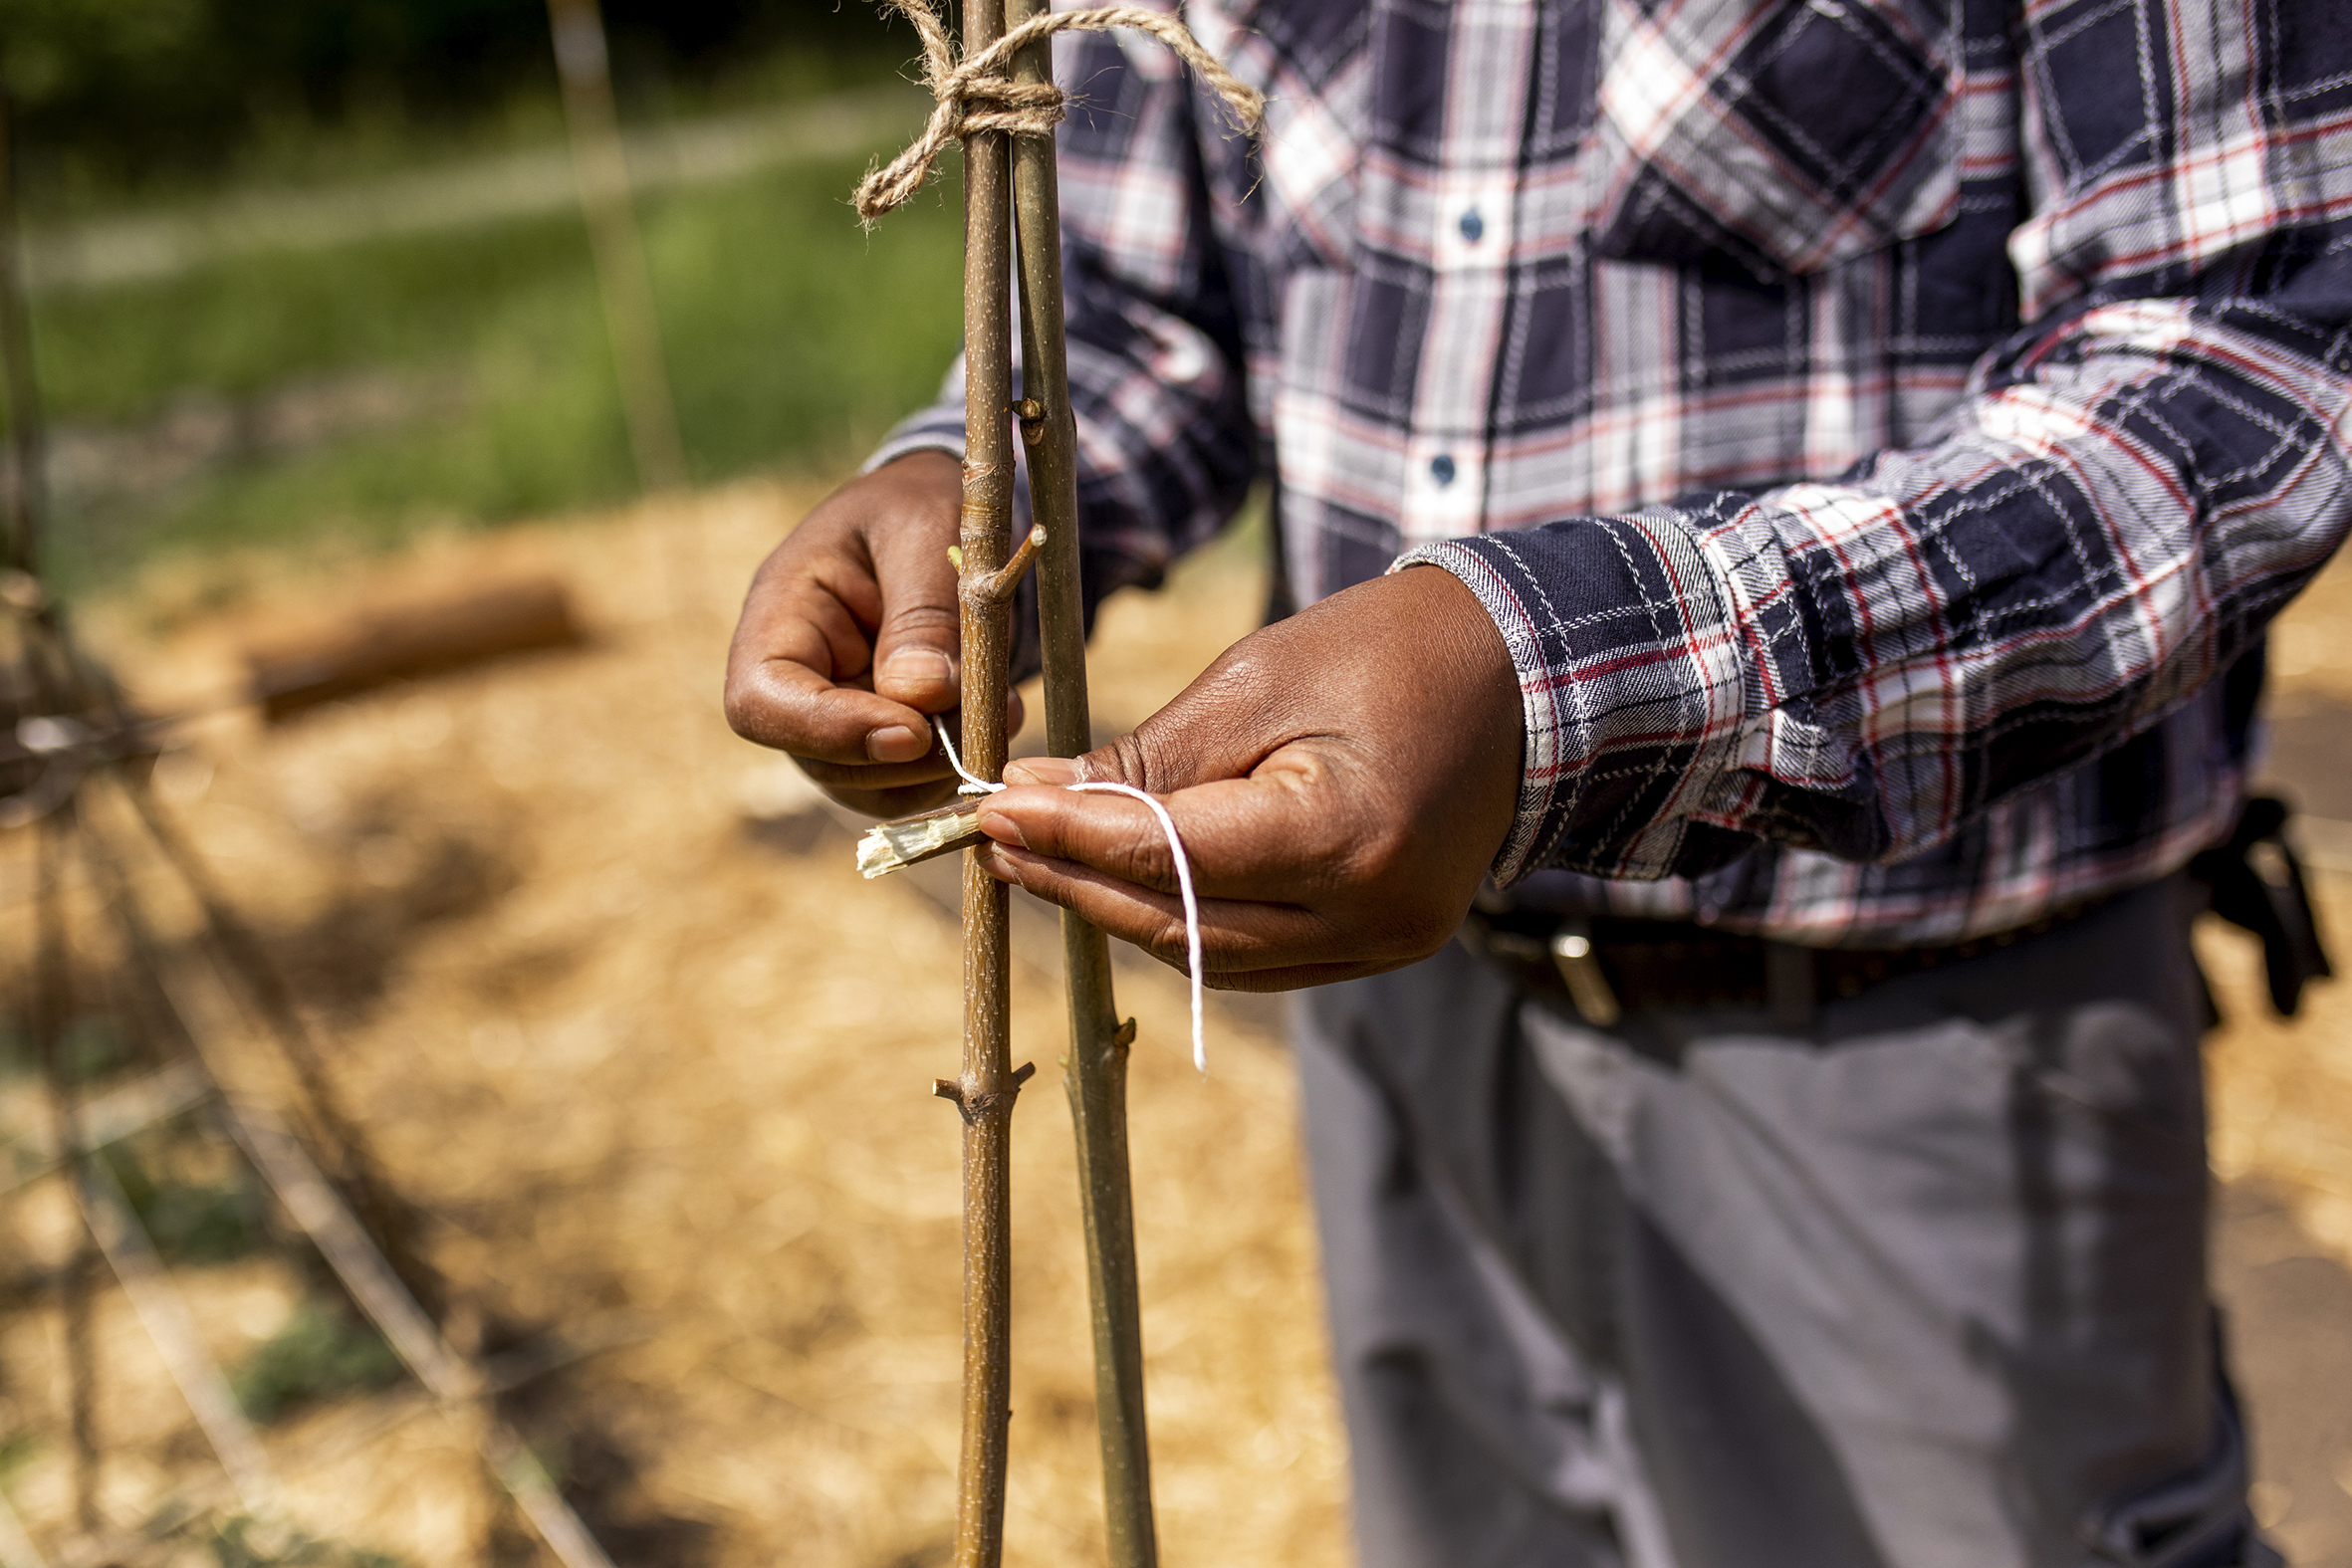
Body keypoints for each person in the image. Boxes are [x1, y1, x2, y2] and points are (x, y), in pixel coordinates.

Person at [725, 0, 2352, 1562]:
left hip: (1911, 1035)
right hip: (1407, 1034)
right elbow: (1150, 311)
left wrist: (1553, 677)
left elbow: (2244, 349)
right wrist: (970, 505)